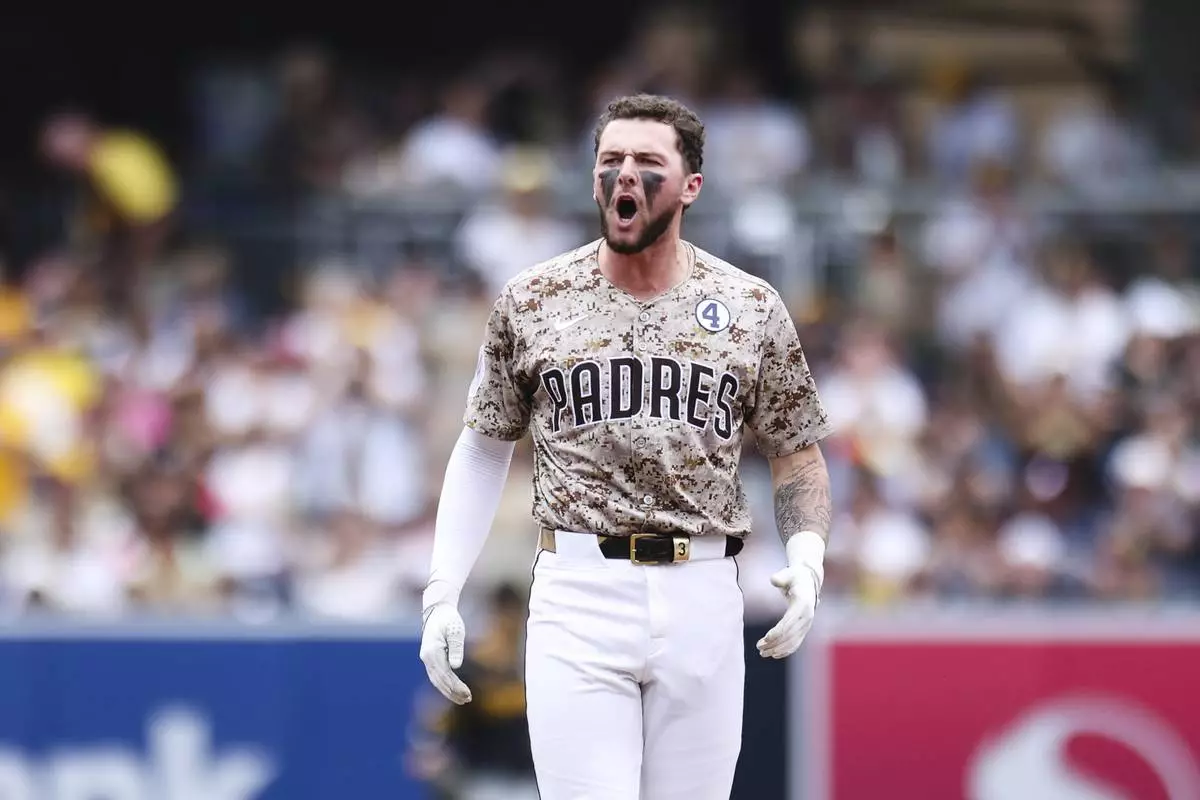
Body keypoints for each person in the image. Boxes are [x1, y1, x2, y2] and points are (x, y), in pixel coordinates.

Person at [419, 93, 833, 800]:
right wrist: (441, 589)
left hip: (704, 585)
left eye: (647, 161)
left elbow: (796, 452)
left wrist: (808, 557)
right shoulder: (534, 298)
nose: (625, 175)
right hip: (579, 585)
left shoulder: (749, 305)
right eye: (610, 159)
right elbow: (485, 445)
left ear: (691, 185)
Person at [408, 583, 538, 800]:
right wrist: (432, 748)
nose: (509, 623)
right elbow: (437, 720)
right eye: (503, 615)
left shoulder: (532, 665)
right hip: (482, 777)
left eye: (514, 615)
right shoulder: (467, 669)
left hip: (528, 778)